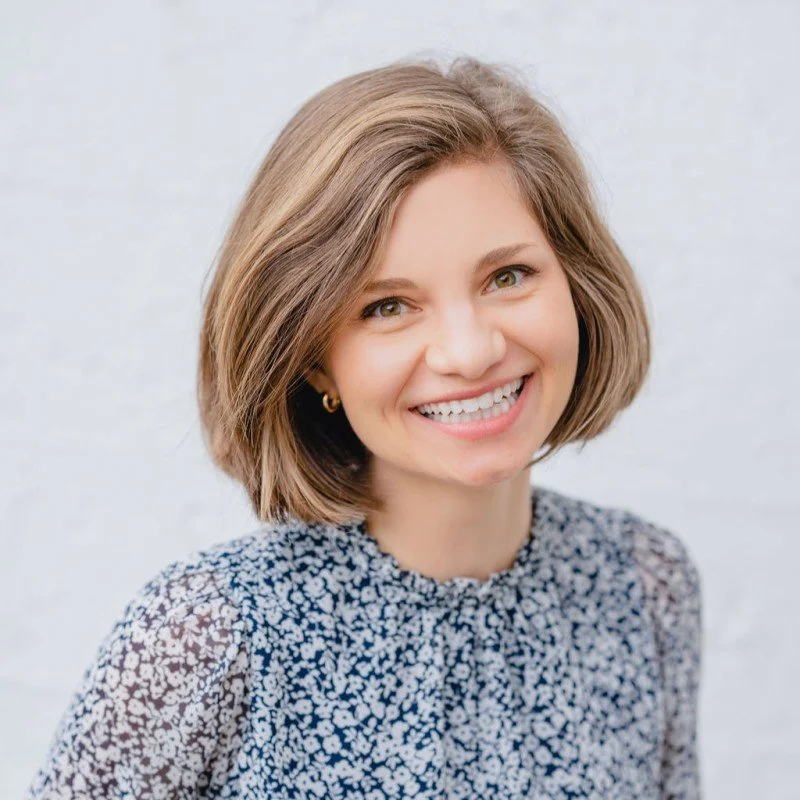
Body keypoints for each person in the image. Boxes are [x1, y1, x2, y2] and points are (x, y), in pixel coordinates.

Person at [26, 55, 702, 798]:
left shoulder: (644, 584)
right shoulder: (205, 637)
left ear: (579, 285)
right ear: (312, 362)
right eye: (386, 306)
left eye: (507, 276)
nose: (470, 351)